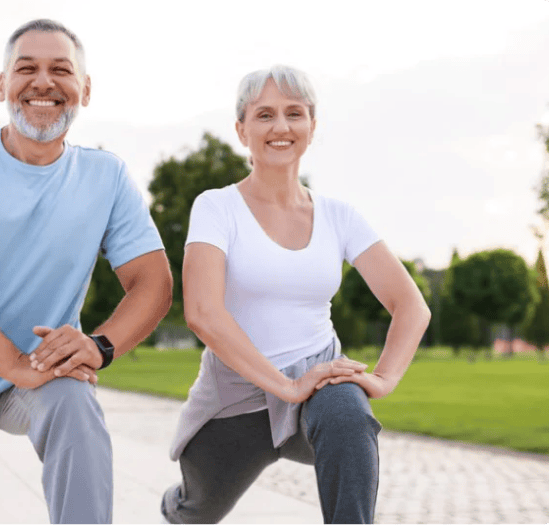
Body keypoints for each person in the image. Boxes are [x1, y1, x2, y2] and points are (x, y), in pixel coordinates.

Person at [0, 19, 172, 525]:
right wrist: (11, 362)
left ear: (84, 90)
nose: (43, 82)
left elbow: (153, 283)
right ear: (2, 85)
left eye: (61, 70)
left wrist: (100, 346)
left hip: (40, 376)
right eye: (27, 68)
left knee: (75, 403)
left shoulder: (105, 177)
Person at [160, 65, 431, 525]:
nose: (281, 127)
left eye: (294, 113)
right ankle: (177, 505)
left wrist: (383, 378)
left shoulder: (339, 216)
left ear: (312, 126)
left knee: (349, 419)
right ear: (241, 129)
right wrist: (284, 386)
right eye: (264, 115)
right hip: (235, 396)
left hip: (318, 383)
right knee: (195, 510)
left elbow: (411, 306)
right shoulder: (216, 207)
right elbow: (203, 312)